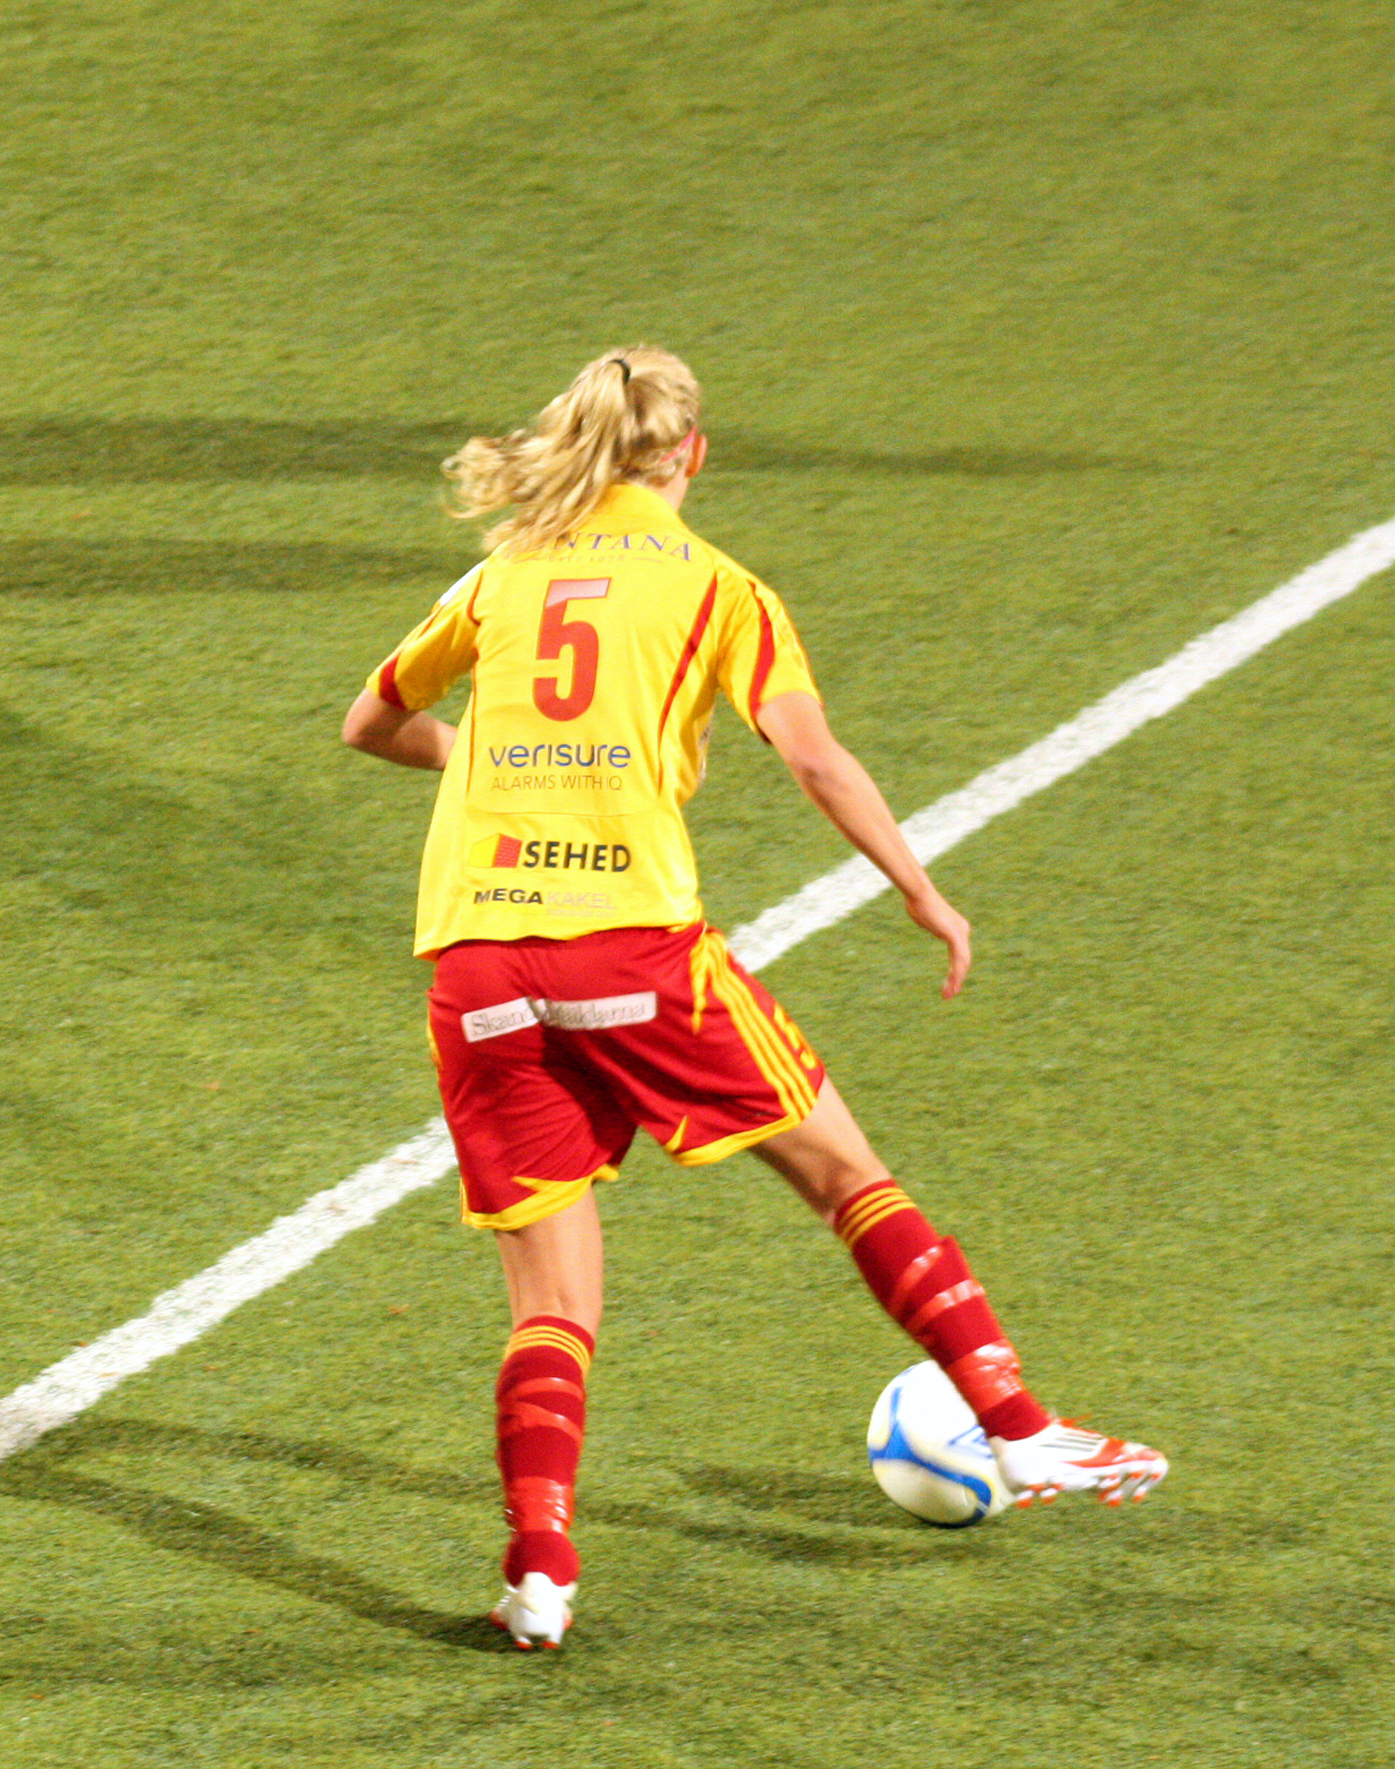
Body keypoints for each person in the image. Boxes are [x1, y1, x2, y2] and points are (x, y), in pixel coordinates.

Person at [341, 347, 1166, 1653]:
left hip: (480, 974)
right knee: (844, 1176)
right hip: (631, 952)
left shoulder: (497, 576)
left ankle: (538, 1576)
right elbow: (815, 758)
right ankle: (1020, 1430)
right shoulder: (719, 587)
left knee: (551, 1307)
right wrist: (920, 889)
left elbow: (371, 722)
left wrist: (498, 767)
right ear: (693, 456)